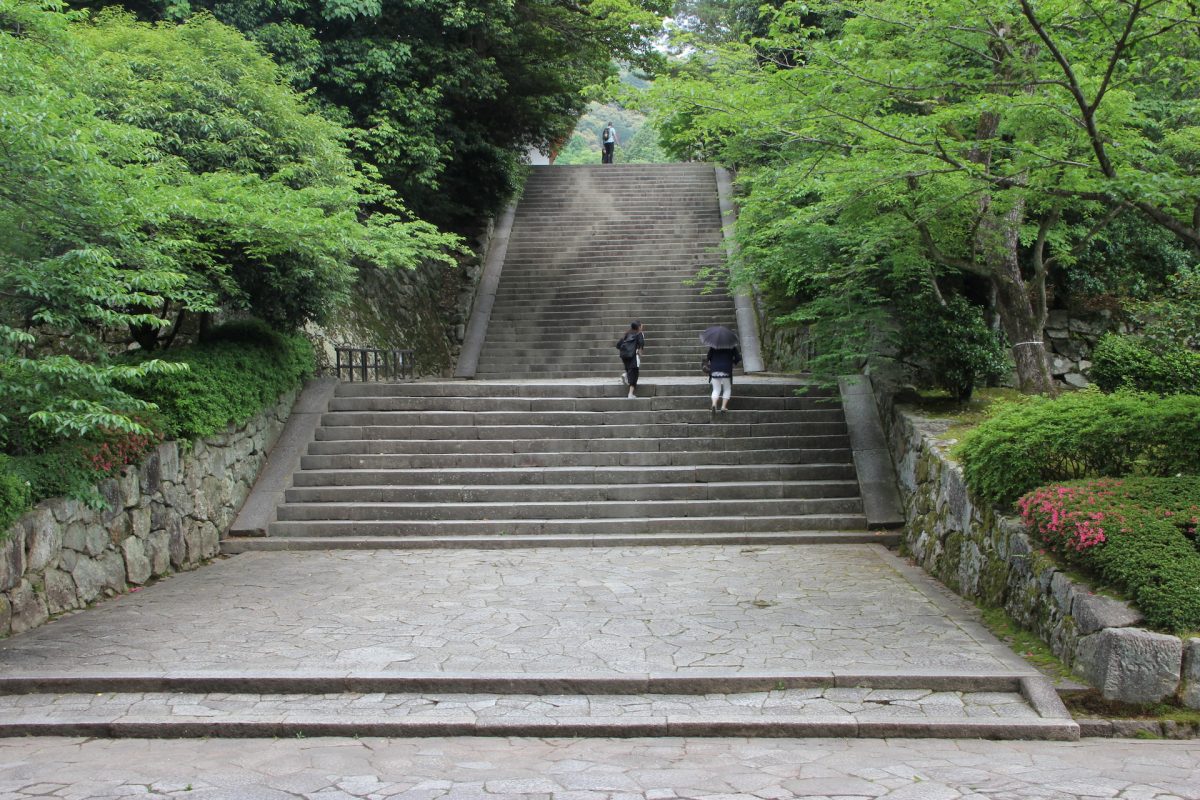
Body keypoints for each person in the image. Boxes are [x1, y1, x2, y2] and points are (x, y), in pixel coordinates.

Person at [707, 344, 742, 413]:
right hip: (726, 369)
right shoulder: (731, 346)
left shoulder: (714, 345)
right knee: (727, 388)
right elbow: (738, 358)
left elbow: (708, 357)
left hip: (715, 369)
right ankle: (723, 407)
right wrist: (732, 362)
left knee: (716, 389)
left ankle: (714, 404)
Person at [615, 320, 644, 399]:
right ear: (639, 327)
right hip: (633, 356)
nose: (642, 327)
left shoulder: (627, 333)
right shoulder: (639, 334)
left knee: (629, 370)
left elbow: (618, 345)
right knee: (634, 374)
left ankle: (626, 375)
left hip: (625, 356)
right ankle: (630, 394)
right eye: (641, 326)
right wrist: (640, 354)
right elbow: (641, 345)